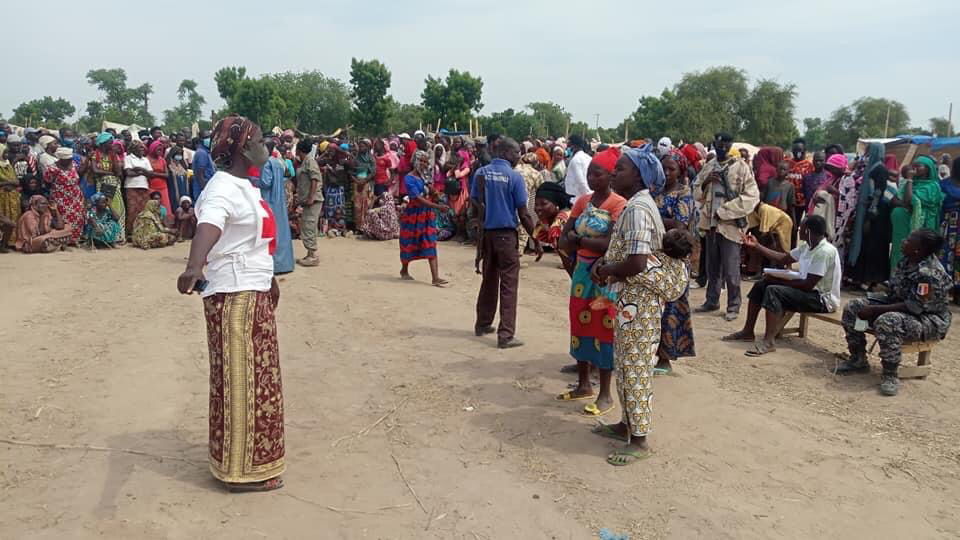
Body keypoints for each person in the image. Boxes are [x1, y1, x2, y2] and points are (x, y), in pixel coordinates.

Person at [176, 115, 285, 492]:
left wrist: (268, 278)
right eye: (259, 139)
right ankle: (239, 473)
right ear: (242, 147)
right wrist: (194, 265)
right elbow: (210, 225)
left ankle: (251, 462)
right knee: (240, 383)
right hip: (234, 296)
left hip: (251, 290)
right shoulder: (223, 188)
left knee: (259, 382)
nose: (266, 145)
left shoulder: (244, 185)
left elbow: (251, 241)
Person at [591, 145, 681, 466]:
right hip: (630, 301)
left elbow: (638, 263)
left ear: (640, 176)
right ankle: (626, 424)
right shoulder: (636, 205)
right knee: (626, 362)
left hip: (639, 302)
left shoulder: (639, 210)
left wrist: (606, 270)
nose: (615, 172)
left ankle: (639, 440)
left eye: (622, 168)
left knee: (637, 367)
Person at [554, 147, 627, 416]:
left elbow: (610, 243)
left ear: (610, 176)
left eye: (598, 174)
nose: (592, 178)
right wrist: (583, 243)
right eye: (589, 174)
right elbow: (563, 239)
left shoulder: (618, 204)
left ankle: (605, 394)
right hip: (582, 272)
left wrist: (580, 240)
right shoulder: (582, 201)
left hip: (604, 273)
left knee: (604, 327)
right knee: (579, 323)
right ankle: (584, 384)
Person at [836, 229, 952, 396]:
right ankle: (858, 359)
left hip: (928, 319)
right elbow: (895, 291)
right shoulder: (907, 261)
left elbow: (914, 306)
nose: (903, 241)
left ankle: (890, 374)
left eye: (908, 240)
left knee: (888, 320)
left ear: (918, 249)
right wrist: (875, 293)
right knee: (854, 307)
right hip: (902, 307)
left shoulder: (929, 273)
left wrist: (875, 309)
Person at [722, 215, 841, 355]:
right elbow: (784, 258)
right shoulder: (807, 247)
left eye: (801, 228)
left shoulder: (824, 252)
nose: (799, 230)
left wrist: (777, 280)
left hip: (822, 300)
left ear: (808, 231)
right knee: (762, 285)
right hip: (810, 293)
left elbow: (808, 285)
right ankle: (748, 331)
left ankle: (769, 341)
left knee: (774, 290)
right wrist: (757, 246)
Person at [472, 138, 541, 348]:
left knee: (489, 280)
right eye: (515, 152)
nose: (518, 156)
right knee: (509, 285)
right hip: (506, 235)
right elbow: (524, 213)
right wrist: (535, 239)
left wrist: (485, 214)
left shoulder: (480, 173)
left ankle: (483, 323)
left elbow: (474, 201)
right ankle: (506, 335)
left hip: (487, 235)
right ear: (504, 152)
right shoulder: (514, 177)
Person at [693, 132, 760, 321]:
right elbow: (696, 191)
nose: (722, 148)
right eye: (719, 145)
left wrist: (725, 211)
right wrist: (706, 183)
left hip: (730, 225)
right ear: (714, 144)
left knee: (731, 269)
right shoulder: (709, 166)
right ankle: (711, 300)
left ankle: (733, 305)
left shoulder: (741, 167)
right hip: (711, 225)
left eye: (726, 145)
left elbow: (752, 196)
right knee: (712, 267)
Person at [654, 153, 696, 373]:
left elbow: (680, 225)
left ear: (680, 170)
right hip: (656, 255)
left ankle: (665, 358)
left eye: (671, 169)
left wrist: (652, 217)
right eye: (664, 169)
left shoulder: (684, 194)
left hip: (675, 257)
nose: (667, 173)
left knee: (671, 306)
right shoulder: (654, 190)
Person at [399, 150, 450, 286]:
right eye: (421, 160)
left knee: (430, 241)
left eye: (425, 161)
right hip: (413, 215)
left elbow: (430, 191)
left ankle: (435, 278)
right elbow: (418, 198)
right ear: (415, 161)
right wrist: (438, 207)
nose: (423, 163)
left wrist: (436, 194)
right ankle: (404, 270)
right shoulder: (409, 178)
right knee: (409, 242)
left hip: (427, 215)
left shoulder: (424, 177)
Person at [890, 155, 945, 272]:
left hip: (919, 229)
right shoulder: (910, 184)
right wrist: (905, 204)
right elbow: (894, 200)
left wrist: (909, 180)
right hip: (902, 227)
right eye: (913, 166)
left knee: (915, 253)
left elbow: (909, 200)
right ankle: (895, 279)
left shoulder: (932, 187)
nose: (913, 169)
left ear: (927, 169)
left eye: (918, 166)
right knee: (899, 250)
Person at [253, 138, 294, 274]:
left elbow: (265, 183)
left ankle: (275, 265)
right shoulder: (277, 162)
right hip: (279, 200)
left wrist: (250, 179)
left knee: (271, 232)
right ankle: (285, 264)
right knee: (282, 231)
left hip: (269, 200)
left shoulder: (266, 163)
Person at [43, 147, 85, 245]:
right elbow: (47, 182)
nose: (71, 160)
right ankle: (63, 240)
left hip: (76, 198)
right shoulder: (52, 169)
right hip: (60, 198)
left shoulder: (74, 165)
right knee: (62, 219)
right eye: (68, 159)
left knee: (77, 218)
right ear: (61, 159)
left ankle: (75, 239)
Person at [90, 133, 126, 241]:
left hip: (115, 185)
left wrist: (114, 156)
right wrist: (110, 173)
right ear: (103, 143)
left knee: (118, 208)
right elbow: (95, 170)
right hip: (103, 185)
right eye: (110, 143)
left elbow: (118, 172)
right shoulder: (95, 154)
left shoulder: (112, 154)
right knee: (104, 208)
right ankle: (105, 237)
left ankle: (119, 236)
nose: (112, 144)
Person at [294, 139, 323, 267]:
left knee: (309, 225)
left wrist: (311, 197)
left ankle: (312, 255)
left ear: (299, 150)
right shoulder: (305, 162)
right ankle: (309, 253)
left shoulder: (310, 161)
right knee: (306, 225)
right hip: (307, 200)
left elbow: (315, 179)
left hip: (313, 200)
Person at [532, 182, 572, 269]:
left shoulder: (561, 219)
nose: (538, 208)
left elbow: (568, 260)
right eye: (536, 204)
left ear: (557, 205)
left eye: (544, 204)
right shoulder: (548, 219)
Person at [515, 153, 543, 260]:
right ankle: (517, 255)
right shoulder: (535, 173)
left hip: (507, 203)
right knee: (523, 228)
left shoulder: (513, 169)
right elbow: (541, 191)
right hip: (522, 202)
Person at [940, 157, 960, 304]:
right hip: (948, 226)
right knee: (945, 256)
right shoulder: (944, 184)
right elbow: (941, 203)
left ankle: (958, 293)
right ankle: (944, 291)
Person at [124, 140, 155, 235]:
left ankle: (142, 232)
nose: (143, 149)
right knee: (132, 210)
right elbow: (128, 173)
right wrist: (143, 171)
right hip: (131, 187)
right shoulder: (128, 158)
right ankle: (130, 233)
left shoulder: (145, 159)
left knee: (143, 210)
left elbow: (151, 174)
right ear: (134, 149)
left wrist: (139, 169)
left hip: (144, 186)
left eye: (143, 148)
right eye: (140, 147)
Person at [785, 138, 814, 234]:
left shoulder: (809, 166)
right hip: (786, 201)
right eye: (794, 150)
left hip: (800, 202)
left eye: (799, 150)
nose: (797, 153)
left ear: (804, 151)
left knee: (796, 226)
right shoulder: (787, 163)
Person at [353, 138, 376, 233]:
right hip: (356, 183)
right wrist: (356, 180)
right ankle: (358, 227)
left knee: (366, 205)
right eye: (360, 146)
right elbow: (351, 171)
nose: (361, 148)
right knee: (357, 205)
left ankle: (366, 226)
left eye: (363, 146)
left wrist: (364, 181)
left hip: (367, 184)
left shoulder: (371, 159)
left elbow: (373, 172)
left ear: (368, 147)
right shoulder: (355, 158)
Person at [0, 149, 21, 249]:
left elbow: (16, 181)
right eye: (4, 153)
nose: (6, 155)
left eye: (7, 153)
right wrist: (9, 183)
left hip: (12, 195)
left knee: (13, 217)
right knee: (5, 218)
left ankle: (11, 242)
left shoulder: (8, 165)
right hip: (2, 196)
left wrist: (9, 184)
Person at [146, 139, 173, 214]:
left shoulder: (162, 160)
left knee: (165, 207)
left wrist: (154, 174)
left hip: (163, 187)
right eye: (158, 150)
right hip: (151, 187)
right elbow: (148, 174)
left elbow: (167, 175)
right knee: (152, 208)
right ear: (153, 148)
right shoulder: (146, 159)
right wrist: (160, 174)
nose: (160, 151)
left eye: (161, 150)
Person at [191, 130, 215, 199]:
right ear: (201, 140)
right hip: (203, 190)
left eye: (210, 137)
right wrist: (205, 190)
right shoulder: (201, 153)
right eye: (206, 137)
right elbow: (200, 175)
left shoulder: (206, 152)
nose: (209, 139)